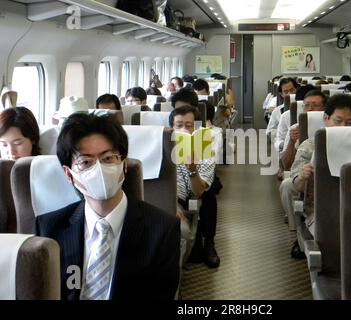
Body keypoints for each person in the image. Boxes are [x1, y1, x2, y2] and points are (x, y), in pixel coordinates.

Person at [35, 113, 180, 300]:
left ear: (124, 164)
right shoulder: (48, 228)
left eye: (108, 158)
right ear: (68, 174)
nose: (99, 170)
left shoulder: (162, 229)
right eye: (85, 162)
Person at [280, 94, 351, 257]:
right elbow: (297, 185)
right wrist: (303, 176)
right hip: (320, 207)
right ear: (326, 119)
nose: (344, 127)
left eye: (349, 122)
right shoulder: (310, 145)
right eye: (338, 121)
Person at [169, 105, 220, 268]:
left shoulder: (205, 149)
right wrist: (167, 204)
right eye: (179, 125)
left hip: (187, 200)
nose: (183, 130)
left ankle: (208, 243)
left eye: (189, 126)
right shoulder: (159, 144)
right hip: (163, 201)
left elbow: (198, 191)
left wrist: (192, 170)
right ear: (171, 128)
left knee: (209, 195)